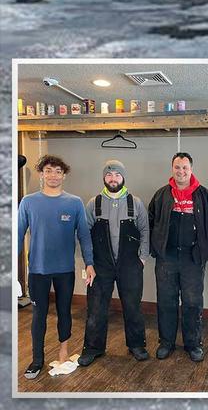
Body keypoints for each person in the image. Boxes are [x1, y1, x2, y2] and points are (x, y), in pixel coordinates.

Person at [16, 155, 95, 379]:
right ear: (41, 174)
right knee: (38, 315)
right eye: (49, 170)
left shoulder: (74, 202)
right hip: (38, 270)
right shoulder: (28, 202)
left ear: (64, 175)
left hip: (64, 270)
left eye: (58, 171)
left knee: (64, 312)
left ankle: (63, 352)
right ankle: (37, 360)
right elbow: (18, 234)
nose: (53, 175)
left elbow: (84, 236)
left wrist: (89, 263)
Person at [148, 152, 208, 362]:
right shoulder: (162, 195)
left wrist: (206, 250)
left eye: (185, 168)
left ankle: (193, 344)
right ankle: (166, 343)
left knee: (192, 302)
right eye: (177, 167)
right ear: (172, 169)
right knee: (166, 302)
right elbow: (151, 221)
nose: (181, 172)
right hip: (166, 259)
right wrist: (157, 247)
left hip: (193, 259)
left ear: (191, 169)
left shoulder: (203, 195)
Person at [79, 160, 150, 366]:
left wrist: (142, 258)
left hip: (130, 264)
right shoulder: (94, 203)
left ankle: (137, 345)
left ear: (123, 177)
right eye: (109, 175)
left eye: (117, 175)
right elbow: (84, 235)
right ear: (104, 178)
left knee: (133, 306)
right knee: (96, 307)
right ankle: (93, 348)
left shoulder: (135, 202)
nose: (113, 178)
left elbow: (145, 230)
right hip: (100, 266)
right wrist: (88, 263)